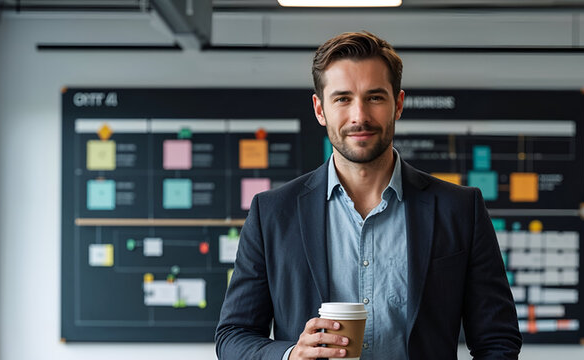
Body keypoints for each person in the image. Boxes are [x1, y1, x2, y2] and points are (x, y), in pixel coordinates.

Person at [215, 31, 521, 360]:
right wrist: (291, 355)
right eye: (342, 99)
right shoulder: (272, 213)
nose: (359, 116)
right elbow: (234, 336)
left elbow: (497, 340)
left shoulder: (459, 209)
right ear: (320, 109)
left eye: (374, 97)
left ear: (398, 104)